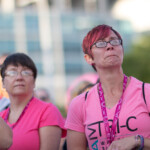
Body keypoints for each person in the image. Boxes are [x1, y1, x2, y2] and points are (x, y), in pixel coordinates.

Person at [65, 24, 150, 150]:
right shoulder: (79, 104)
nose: (110, 46)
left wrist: (138, 140)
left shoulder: (146, 92)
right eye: (100, 43)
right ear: (88, 58)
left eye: (114, 41)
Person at [0, 52, 66, 150]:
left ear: (34, 82)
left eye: (26, 72)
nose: (19, 77)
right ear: (3, 82)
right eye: (12, 72)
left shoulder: (47, 111)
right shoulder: (2, 115)